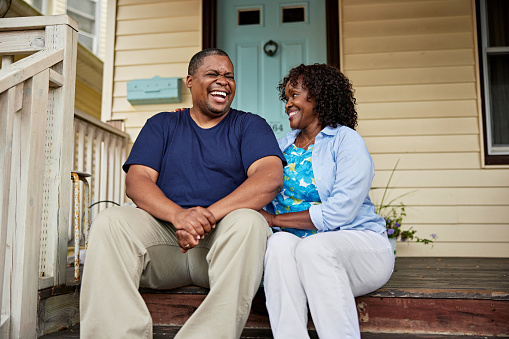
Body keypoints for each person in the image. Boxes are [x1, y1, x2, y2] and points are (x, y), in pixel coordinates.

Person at [79, 48, 286, 339]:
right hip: (165, 244)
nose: (223, 81)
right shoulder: (162, 125)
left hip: (222, 247)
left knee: (250, 223)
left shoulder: (249, 125)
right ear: (190, 81)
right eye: (212, 74)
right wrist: (179, 216)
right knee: (109, 221)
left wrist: (206, 217)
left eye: (229, 76)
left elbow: (269, 179)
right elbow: (137, 182)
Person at [259, 64, 395, 339]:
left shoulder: (346, 142)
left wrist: (274, 220)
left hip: (359, 247)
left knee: (314, 248)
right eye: (286, 98)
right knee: (278, 244)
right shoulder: (281, 147)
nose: (288, 104)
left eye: (294, 95)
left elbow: (339, 213)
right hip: (301, 252)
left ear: (319, 97)